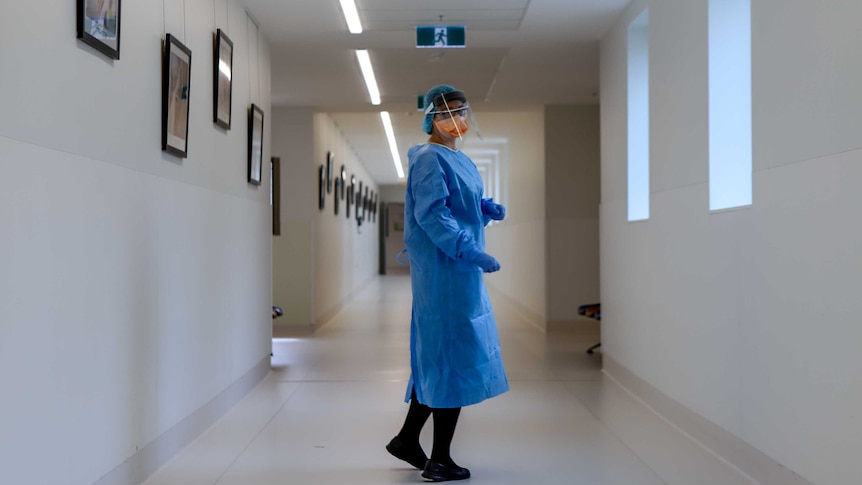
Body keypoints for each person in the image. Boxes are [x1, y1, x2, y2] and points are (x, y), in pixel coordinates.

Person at [386, 84, 509, 482]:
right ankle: (439, 459)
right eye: (447, 113)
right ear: (431, 119)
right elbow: (434, 217)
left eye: (461, 112)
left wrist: (483, 208)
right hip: (444, 273)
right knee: (448, 360)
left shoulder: (462, 160)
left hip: (460, 274)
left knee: (440, 359)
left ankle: (407, 438)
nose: (457, 120)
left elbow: (460, 206)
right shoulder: (426, 158)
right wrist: (469, 250)